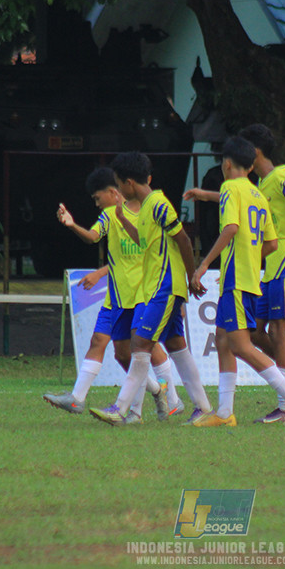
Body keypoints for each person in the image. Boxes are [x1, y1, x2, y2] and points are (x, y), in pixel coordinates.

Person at [184, 124, 285, 423]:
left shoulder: (270, 181)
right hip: (257, 276)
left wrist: (205, 263)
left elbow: (234, 226)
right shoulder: (258, 193)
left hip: (264, 271)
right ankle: (225, 413)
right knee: (227, 338)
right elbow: (270, 242)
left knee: (248, 342)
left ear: (227, 163)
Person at [42, 167, 184, 422]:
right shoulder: (110, 215)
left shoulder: (149, 214)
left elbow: (153, 253)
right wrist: (72, 225)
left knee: (146, 348)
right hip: (117, 297)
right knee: (117, 351)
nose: (97, 204)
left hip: (143, 295)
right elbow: (93, 237)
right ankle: (152, 392)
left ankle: (169, 400)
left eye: (97, 198)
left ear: (113, 191)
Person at [88, 152, 213, 425]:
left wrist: (191, 276)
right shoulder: (145, 207)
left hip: (165, 286)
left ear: (129, 183)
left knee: (141, 344)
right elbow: (146, 242)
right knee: (176, 346)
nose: (118, 191)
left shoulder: (157, 204)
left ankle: (123, 409)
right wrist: (121, 219)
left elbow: (182, 239)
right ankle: (203, 407)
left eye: (119, 185)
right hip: (157, 287)